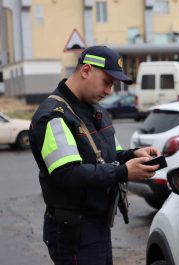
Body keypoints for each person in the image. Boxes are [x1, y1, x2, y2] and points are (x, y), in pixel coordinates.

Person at [29, 46, 161, 265]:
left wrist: (132, 155)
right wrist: (123, 171)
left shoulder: (94, 109)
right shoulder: (54, 116)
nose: (109, 90)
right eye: (107, 82)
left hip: (97, 223)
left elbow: (110, 154)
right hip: (74, 230)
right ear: (86, 71)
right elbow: (67, 174)